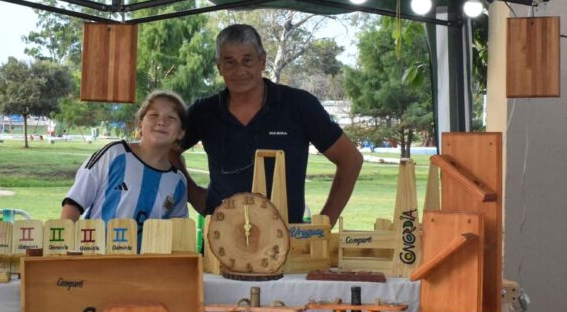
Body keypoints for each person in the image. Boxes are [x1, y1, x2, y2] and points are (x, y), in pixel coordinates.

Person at [175, 24, 362, 225]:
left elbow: (351, 160)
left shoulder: (298, 105)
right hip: (221, 242)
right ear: (219, 66)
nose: (240, 70)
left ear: (262, 61)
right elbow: (166, 150)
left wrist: (323, 225)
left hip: (286, 244)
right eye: (229, 62)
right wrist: (194, 195)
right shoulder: (205, 111)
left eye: (247, 60)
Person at [61, 90, 189, 224]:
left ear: (181, 132)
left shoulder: (178, 182)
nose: (162, 122)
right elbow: (74, 203)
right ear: (140, 125)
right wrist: (66, 240)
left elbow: (178, 231)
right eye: (154, 115)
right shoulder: (113, 154)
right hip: (94, 245)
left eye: (171, 118)